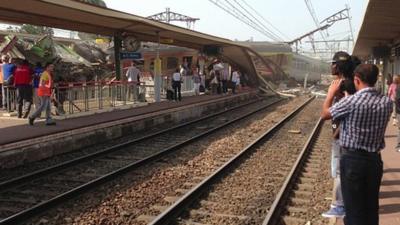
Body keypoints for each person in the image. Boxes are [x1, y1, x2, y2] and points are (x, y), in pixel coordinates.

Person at [321, 64, 392, 225]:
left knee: (353, 210)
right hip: (374, 162)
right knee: (371, 207)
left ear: (357, 80)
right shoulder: (386, 102)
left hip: (353, 161)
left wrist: (331, 94)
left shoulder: (351, 102)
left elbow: (325, 114)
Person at [322, 51, 357, 218]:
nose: (331, 66)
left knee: (339, 171)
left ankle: (340, 204)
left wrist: (331, 94)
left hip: (342, 135)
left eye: (333, 63)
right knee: (340, 171)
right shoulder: (344, 83)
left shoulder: (345, 85)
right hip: (340, 133)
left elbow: (329, 112)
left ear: (339, 65)